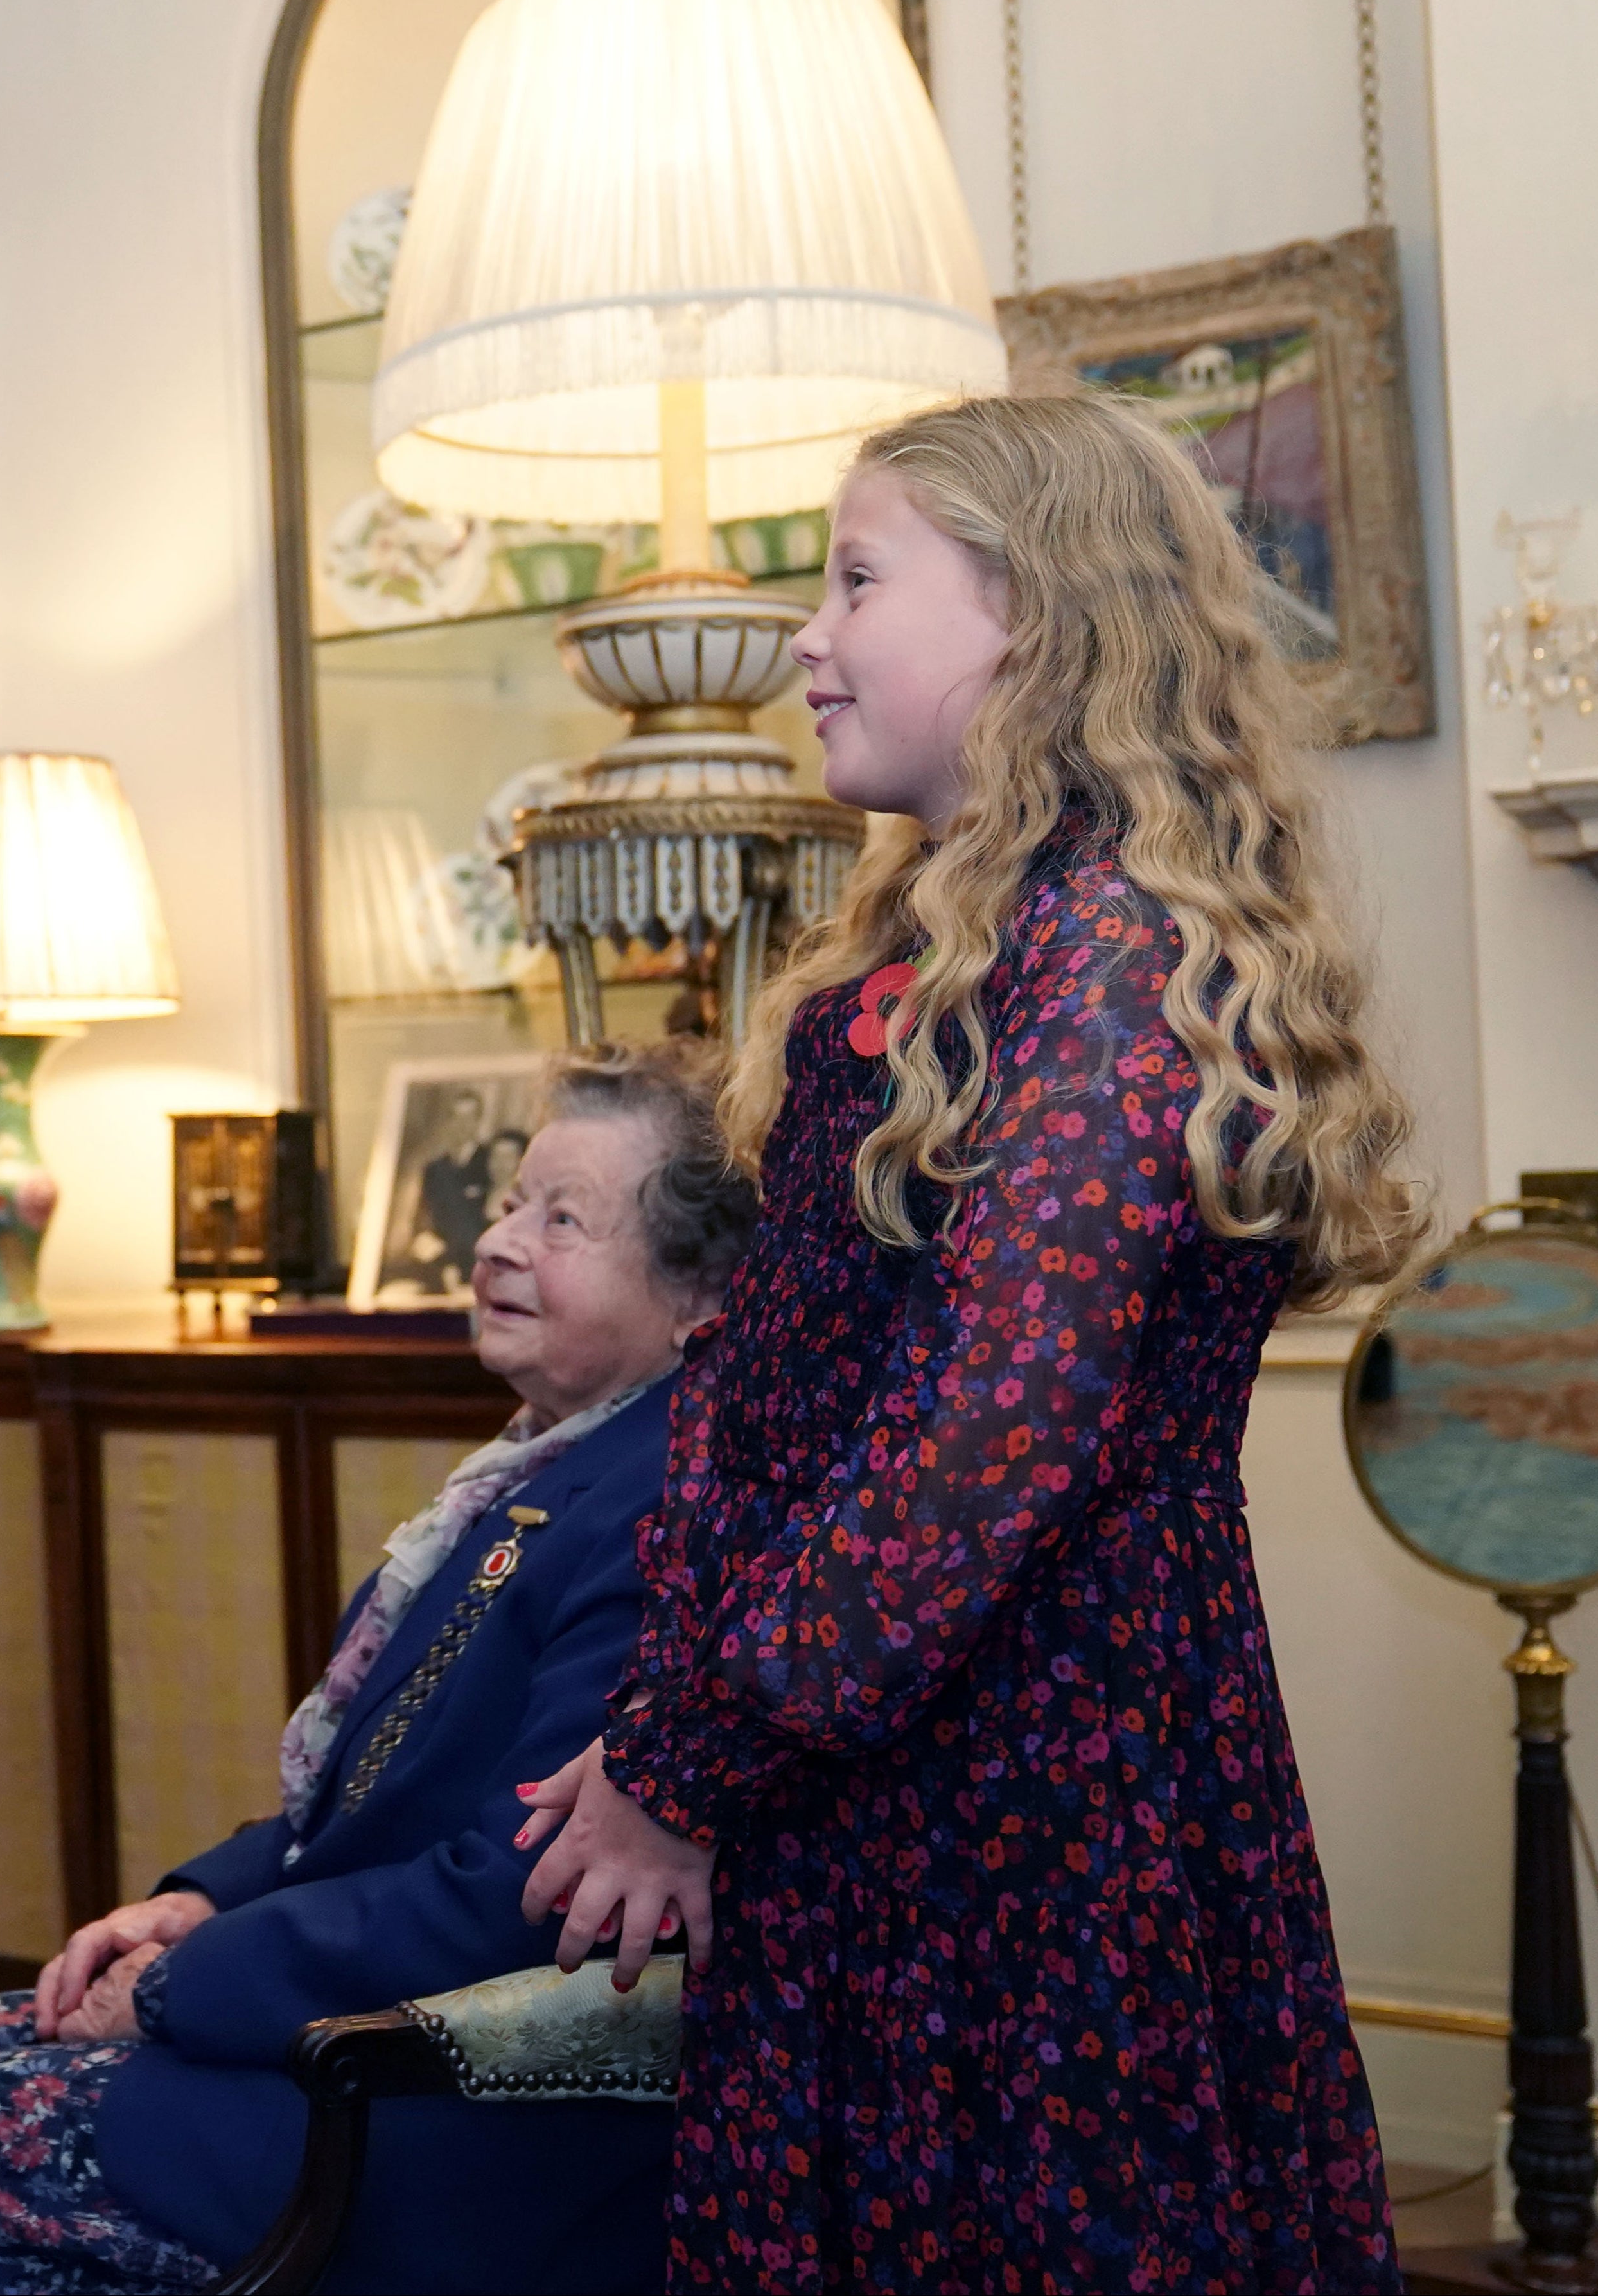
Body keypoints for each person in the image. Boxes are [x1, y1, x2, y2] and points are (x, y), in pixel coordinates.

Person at [513, 394, 1423, 2293]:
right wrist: (680, 1740)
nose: (805, 640)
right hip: (871, 1777)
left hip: (1022, 1814)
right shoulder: (943, 943)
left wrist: (683, 1759)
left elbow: (963, 1460)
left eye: (857, 580)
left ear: (1044, 617)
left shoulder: (1104, 963)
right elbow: (780, 1400)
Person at [0, 1044, 757, 2295]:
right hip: (319, 2023)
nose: (495, 1243)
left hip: (436, 2111)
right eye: (509, 1202)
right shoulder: (537, 1469)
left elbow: (514, 1890)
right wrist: (202, 1900)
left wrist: (178, 1989)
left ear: (697, 1298)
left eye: (562, 1221)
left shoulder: (658, 1503)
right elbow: (372, 1798)